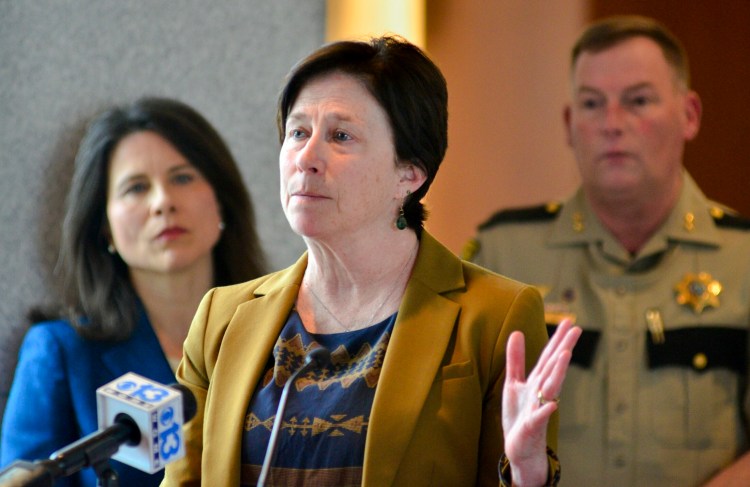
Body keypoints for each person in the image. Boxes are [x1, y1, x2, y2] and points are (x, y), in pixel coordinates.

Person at [161, 36, 581, 487]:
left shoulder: (495, 316)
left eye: (341, 136)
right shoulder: (220, 319)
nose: (306, 158)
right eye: (298, 132)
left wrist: (525, 475)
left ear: (411, 173)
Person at [467, 15, 750, 486]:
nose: (612, 124)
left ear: (690, 115)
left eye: (638, 101)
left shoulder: (743, 259)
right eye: (592, 104)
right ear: (568, 123)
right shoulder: (502, 257)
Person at [0, 97, 267, 487]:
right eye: (136, 188)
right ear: (104, 227)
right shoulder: (60, 353)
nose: (163, 203)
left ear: (222, 202)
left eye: (182, 177)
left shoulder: (285, 332)